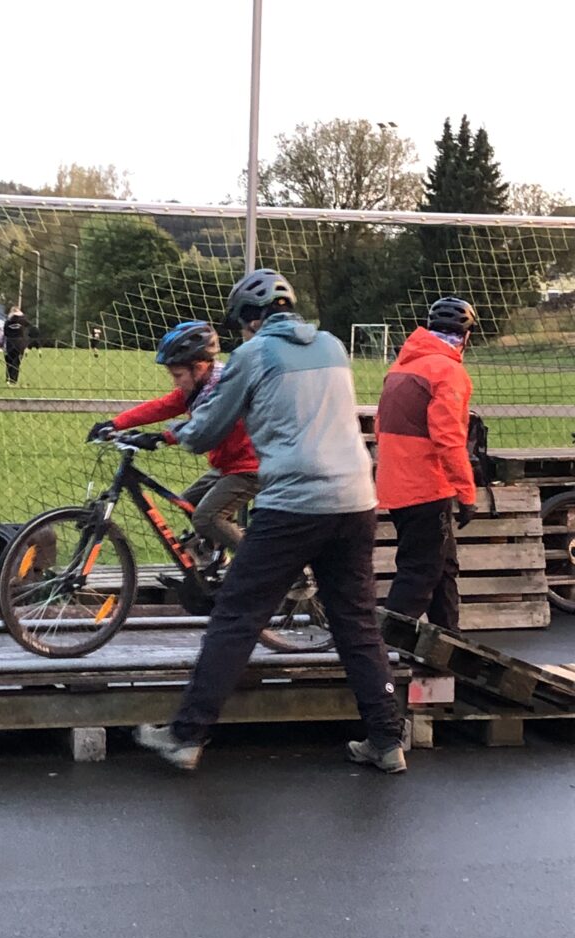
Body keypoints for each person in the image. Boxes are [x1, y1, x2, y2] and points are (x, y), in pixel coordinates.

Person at [134, 270, 405, 774]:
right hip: (355, 500)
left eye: (240, 324)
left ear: (250, 319)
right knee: (357, 624)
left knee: (237, 617)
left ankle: (186, 736)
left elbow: (207, 429)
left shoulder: (253, 354)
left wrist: (173, 434)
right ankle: (388, 741)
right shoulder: (333, 346)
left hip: (294, 503)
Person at [87, 321, 260, 558]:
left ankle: (257, 564)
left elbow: (205, 428)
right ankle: (216, 557)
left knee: (207, 518)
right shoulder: (198, 388)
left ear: (199, 367)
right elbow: (163, 406)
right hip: (228, 467)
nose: (175, 382)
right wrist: (115, 423)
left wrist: (163, 437)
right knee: (188, 501)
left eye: (178, 375)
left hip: (250, 469)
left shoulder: (224, 389)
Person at [375, 296, 477, 633]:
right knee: (419, 574)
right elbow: (449, 438)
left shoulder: (402, 366)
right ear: (465, 336)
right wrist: (466, 494)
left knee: (443, 568)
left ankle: (450, 644)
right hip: (426, 487)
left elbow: (379, 425)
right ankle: (381, 647)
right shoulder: (448, 371)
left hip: (396, 484)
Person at [2, 306, 29, 384]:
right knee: (16, 362)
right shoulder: (22, 321)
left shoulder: (8, 322)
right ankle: (13, 380)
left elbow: (5, 333)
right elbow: (28, 325)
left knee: (9, 361)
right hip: (19, 343)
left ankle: (8, 378)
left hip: (10, 343)